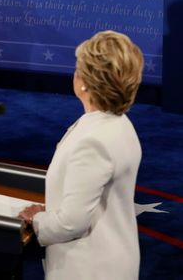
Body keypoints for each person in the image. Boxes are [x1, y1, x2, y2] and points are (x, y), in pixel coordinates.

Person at [18, 30, 144, 280]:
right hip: (115, 260)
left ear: (85, 81)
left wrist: (37, 220)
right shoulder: (120, 124)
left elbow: (71, 223)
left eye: (79, 68)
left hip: (90, 269)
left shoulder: (93, 140)